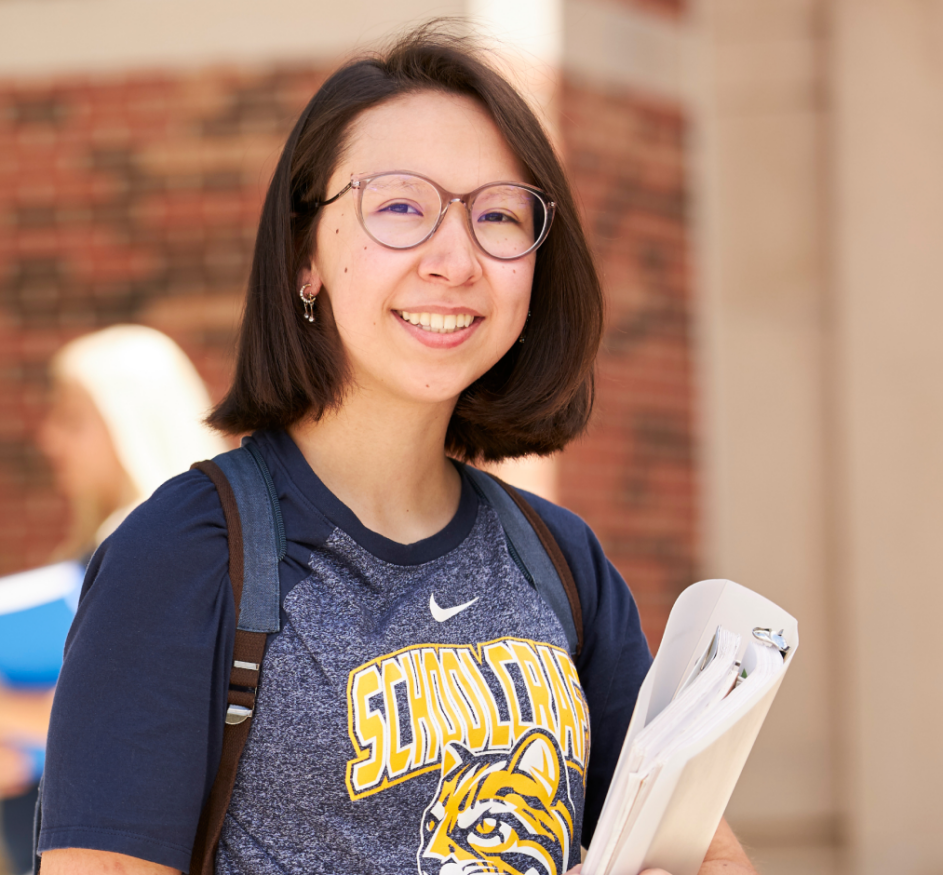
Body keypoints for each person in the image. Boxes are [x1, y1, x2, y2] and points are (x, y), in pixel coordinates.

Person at [36, 27, 757, 875]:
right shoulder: (183, 553)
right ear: (307, 253)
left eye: (498, 215)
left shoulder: (561, 559)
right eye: (401, 207)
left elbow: (698, 847)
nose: (455, 259)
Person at [0, 325, 226, 875]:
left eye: (72, 420)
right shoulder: (103, 548)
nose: (48, 440)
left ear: (133, 424)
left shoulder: (161, 553)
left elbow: (155, 720)